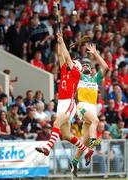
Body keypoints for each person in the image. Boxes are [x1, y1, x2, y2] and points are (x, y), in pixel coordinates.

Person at [35, 32, 93, 163]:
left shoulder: (76, 73)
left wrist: (62, 42)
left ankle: (47, 148)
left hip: (69, 104)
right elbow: (61, 55)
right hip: (61, 104)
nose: (71, 62)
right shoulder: (65, 71)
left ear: (77, 67)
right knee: (66, 135)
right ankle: (87, 150)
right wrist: (58, 41)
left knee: (56, 123)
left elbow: (67, 57)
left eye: (74, 62)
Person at [70, 44, 109, 177]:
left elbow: (106, 68)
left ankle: (74, 162)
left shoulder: (95, 79)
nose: (86, 66)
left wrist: (95, 54)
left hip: (91, 108)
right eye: (84, 65)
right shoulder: (79, 77)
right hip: (82, 106)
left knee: (83, 141)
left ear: (92, 70)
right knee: (96, 121)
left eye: (88, 65)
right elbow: (70, 63)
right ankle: (93, 142)